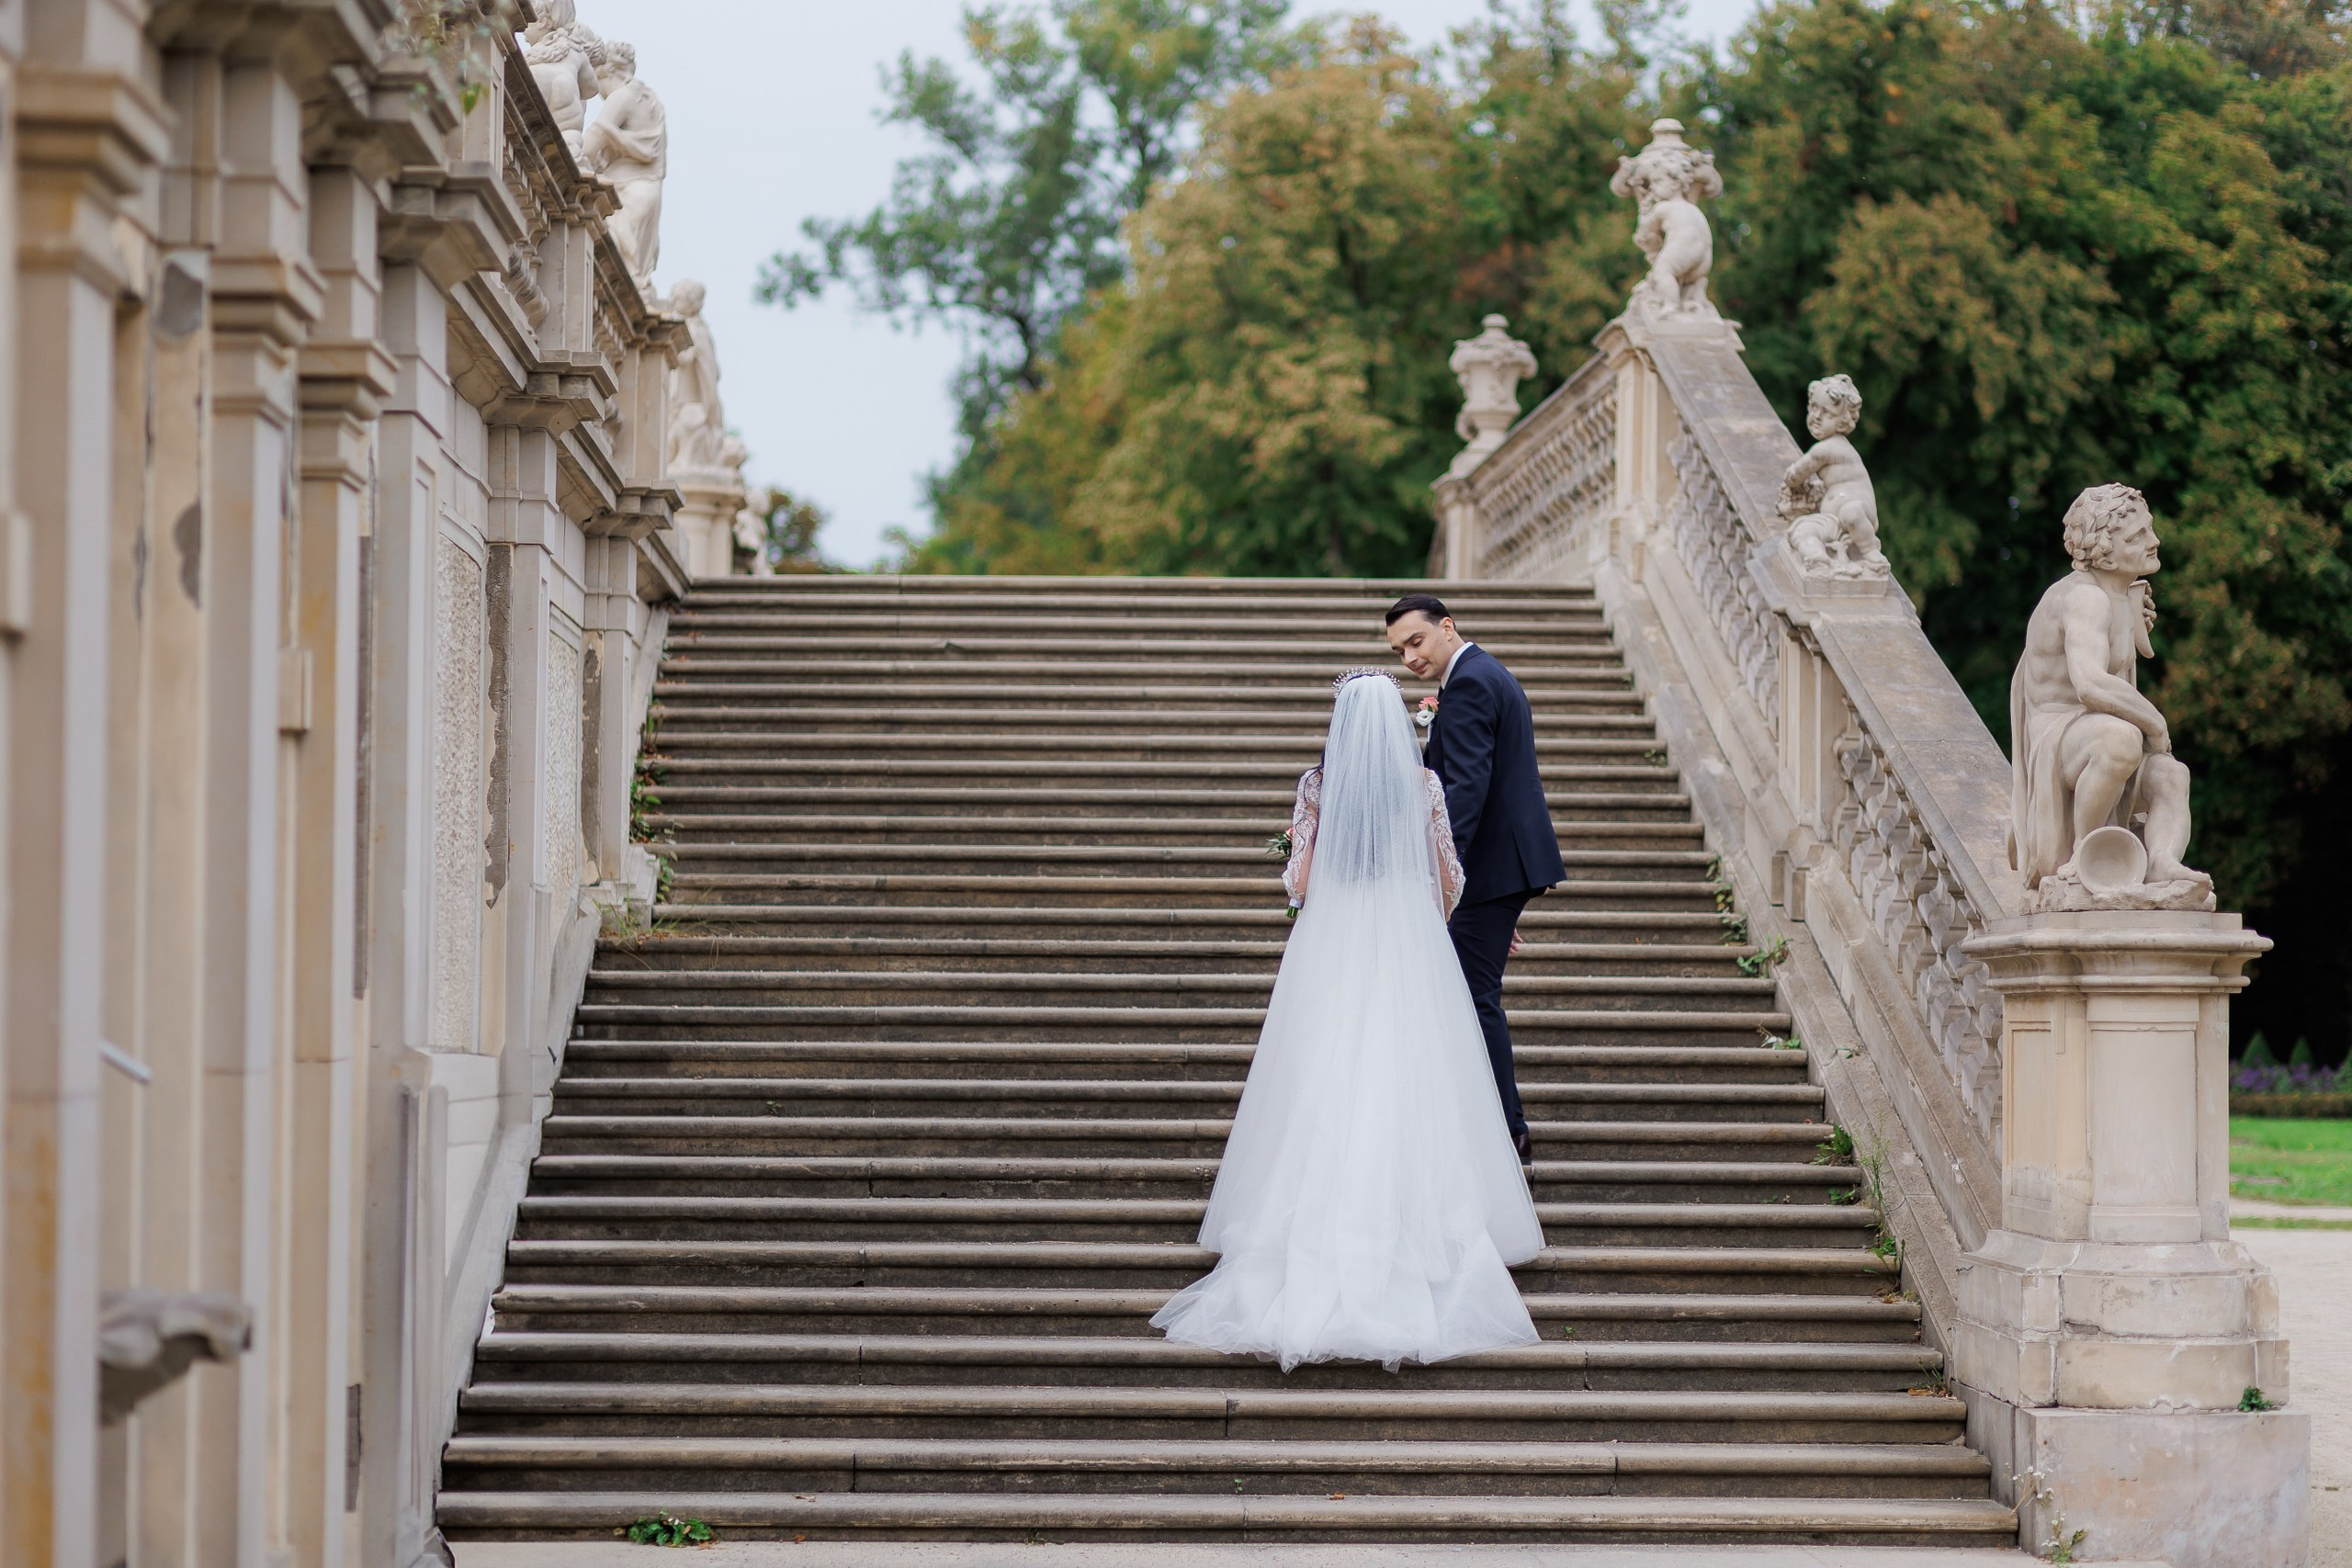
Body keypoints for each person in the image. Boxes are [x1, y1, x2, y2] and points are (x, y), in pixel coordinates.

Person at [1151, 671, 1543, 1371]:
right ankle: (1421, 1235)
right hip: (1405, 941)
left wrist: (1305, 862)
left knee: (1324, 1080)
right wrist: (1422, 916)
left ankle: (1311, 1234)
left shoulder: (1316, 787)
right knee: (1408, 1080)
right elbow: (1448, 877)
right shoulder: (1423, 786)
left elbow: (1299, 883)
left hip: (1331, 948)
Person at [1385, 592, 1566, 1164]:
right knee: (1469, 991)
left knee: (1472, 997)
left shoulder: (1468, 684)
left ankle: (1509, 1136)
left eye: (1416, 641)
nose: (1410, 657)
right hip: (1496, 871)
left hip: (1485, 867)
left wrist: (1447, 882)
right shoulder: (1486, 673)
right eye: (1398, 650)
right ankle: (1494, 1131)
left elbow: (1463, 791)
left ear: (1446, 626)